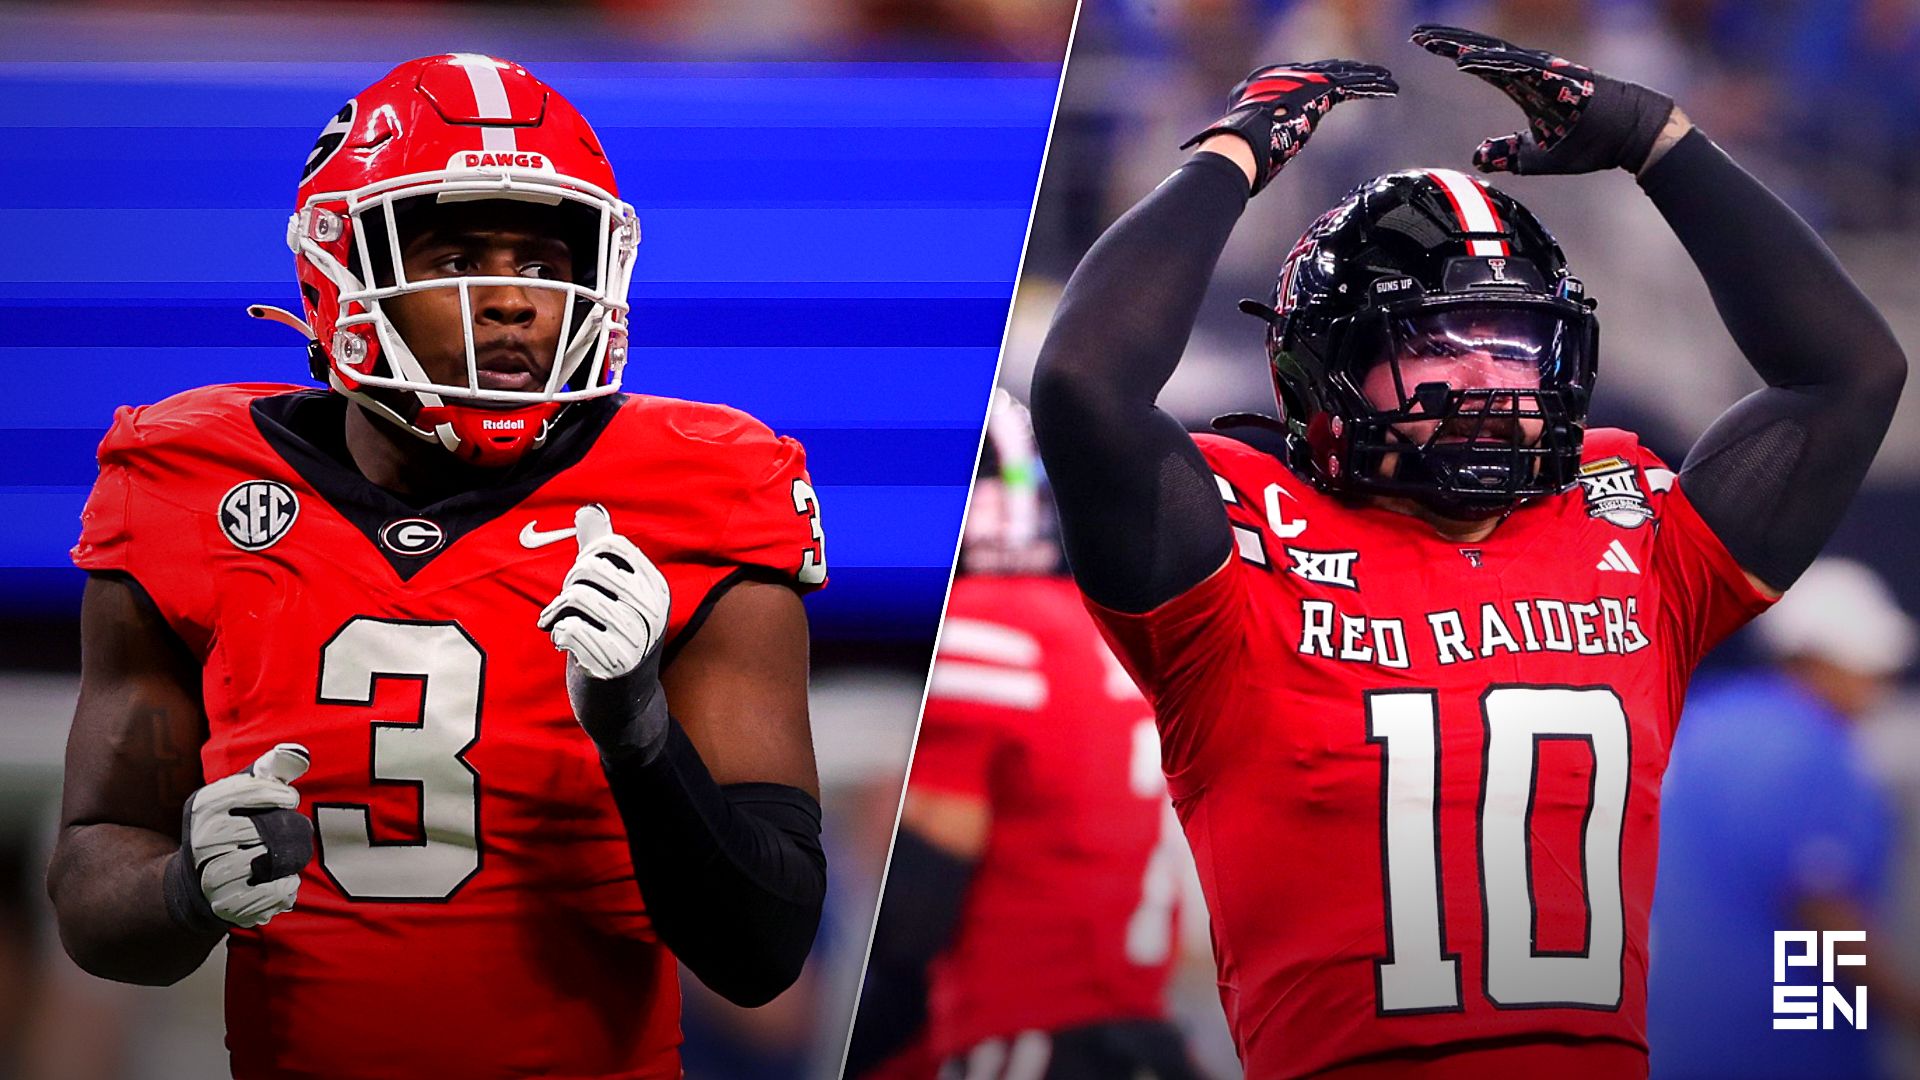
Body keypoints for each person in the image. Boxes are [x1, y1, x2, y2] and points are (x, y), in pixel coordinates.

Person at [1030, 24, 1906, 1080]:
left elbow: (1850, 375)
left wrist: (1662, 145)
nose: (1493, 385)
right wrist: (1231, 156)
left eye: (1517, 343)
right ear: (1325, 367)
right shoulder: (1243, 552)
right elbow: (1084, 385)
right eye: (1438, 344)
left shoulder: (1627, 529)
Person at [48, 54, 830, 1080]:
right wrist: (184, 889)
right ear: (339, 276)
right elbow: (95, 879)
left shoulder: (702, 487)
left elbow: (763, 952)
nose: (512, 300)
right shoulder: (188, 480)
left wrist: (640, 733)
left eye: (546, 265)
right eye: (458, 254)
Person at [847, 392, 1199, 1080]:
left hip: (1023, 1044)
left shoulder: (982, 633)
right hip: (1146, 1041)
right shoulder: (1105, 628)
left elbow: (912, 921)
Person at [1650, 557, 1919, 1079]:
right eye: (1866, 664)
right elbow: (1824, 913)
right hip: (1784, 1045)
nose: (1879, 681)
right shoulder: (1807, 745)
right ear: (1813, 658)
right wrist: (1907, 1009)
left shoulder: (1703, 721)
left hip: (1679, 1037)